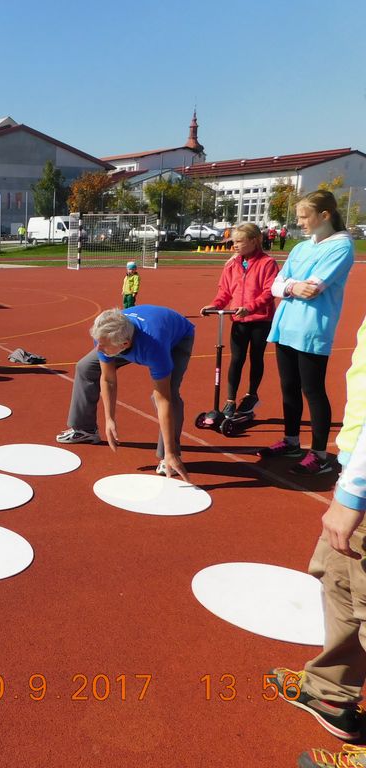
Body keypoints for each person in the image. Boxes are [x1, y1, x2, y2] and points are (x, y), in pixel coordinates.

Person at [268, 304, 366, 749]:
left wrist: (353, 494)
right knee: (338, 578)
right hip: (354, 466)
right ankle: (330, 692)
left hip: (360, 484)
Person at [258, 190, 355, 475]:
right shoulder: (300, 248)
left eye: (304, 216)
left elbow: (312, 289)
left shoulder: (341, 247)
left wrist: (289, 286)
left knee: (312, 390)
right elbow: (275, 285)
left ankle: (320, 455)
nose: (299, 222)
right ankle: (291, 441)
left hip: (312, 329)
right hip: (285, 326)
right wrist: (290, 286)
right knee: (288, 387)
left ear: (324, 215)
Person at [55, 306, 195, 480]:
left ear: (125, 345)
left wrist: (170, 451)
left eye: (102, 345)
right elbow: (108, 379)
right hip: (127, 338)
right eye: (97, 342)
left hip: (177, 338)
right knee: (86, 367)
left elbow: (163, 399)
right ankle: (85, 429)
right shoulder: (104, 334)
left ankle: (169, 456)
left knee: (169, 394)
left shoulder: (155, 349)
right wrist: (109, 419)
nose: (98, 348)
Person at [199, 223, 279, 418]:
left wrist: (250, 307)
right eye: (233, 241)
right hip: (238, 319)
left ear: (254, 241)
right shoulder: (232, 264)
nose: (234, 245)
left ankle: (252, 395)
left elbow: (269, 292)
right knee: (236, 359)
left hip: (261, 319)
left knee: (256, 357)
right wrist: (215, 305)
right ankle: (230, 400)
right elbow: (225, 291)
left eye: (239, 241)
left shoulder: (267, 263)